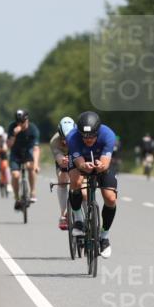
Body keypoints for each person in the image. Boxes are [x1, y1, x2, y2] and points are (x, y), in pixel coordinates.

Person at [67, 110, 118, 258]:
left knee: (110, 198)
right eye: (84, 136)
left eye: (91, 136)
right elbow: (78, 162)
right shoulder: (73, 137)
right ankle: (78, 219)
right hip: (81, 162)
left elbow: (105, 163)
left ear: (98, 131)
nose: (88, 140)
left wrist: (100, 166)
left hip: (101, 162)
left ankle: (104, 237)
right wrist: (84, 167)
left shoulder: (108, 134)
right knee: (76, 182)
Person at [6, 109, 40, 209]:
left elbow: (36, 148)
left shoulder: (33, 129)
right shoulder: (12, 127)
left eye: (22, 122)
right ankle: (17, 197)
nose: (20, 124)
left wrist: (36, 164)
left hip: (28, 151)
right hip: (15, 152)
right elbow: (8, 145)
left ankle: (33, 191)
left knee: (31, 166)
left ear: (27, 120)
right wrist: (13, 135)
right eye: (18, 122)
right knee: (15, 175)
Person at [49, 116, 77, 230]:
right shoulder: (54, 141)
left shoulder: (79, 137)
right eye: (63, 138)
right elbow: (59, 158)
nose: (65, 141)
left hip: (77, 157)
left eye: (68, 138)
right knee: (63, 180)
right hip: (63, 160)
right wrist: (63, 161)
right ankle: (63, 214)